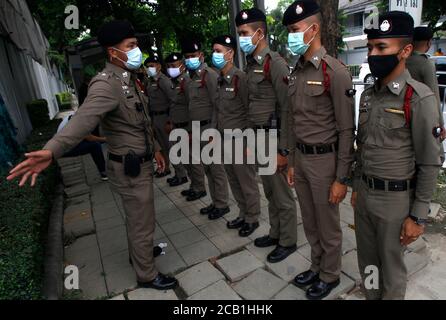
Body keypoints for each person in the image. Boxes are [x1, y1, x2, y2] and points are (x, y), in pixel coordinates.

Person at [7, 20, 178, 290]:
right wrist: (52, 151)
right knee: (142, 221)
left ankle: (140, 255)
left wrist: (156, 150)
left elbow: (142, 123)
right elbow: (82, 121)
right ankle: (146, 274)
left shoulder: (128, 80)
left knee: (140, 218)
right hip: (130, 168)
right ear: (113, 52)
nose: (137, 51)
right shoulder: (106, 84)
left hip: (140, 161)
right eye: (131, 46)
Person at [352, 11, 442, 299]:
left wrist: (418, 216)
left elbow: (430, 161)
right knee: (368, 266)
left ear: (405, 51)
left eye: (381, 48)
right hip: (365, 195)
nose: (372, 55)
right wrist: (357, 186)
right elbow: (362, 145)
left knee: (391, 272)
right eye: (369, 48)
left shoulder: (419, 98)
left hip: (395, 202)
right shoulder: (368, 95)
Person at [283, 0, 355, 300]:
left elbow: (346, 130)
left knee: (327, 223)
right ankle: (316, 265)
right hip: (301, 159)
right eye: (288, 31)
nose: (291, 36)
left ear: (313, 30)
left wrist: (342, 178)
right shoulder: (296, 71)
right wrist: (290, 160)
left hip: (326, 162)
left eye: (295, 30)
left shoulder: (334, 72)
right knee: (310, 220)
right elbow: (292, 120)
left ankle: (330, 273)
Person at [236, 9, 298, 245]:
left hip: (275, 140)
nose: (241, 37)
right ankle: (275, 233)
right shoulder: (252, 66)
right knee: (270, 192)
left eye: (244, 33)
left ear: (259, 33)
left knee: (282, 195)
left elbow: (288, 110)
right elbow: (253, 106)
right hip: (259, 140)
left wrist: (284, 151)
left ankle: (288, 240)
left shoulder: (276, 64)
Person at [211, 35, 262, 226]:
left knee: (247, 182)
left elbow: (250, 110)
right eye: (214, 51)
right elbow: (217, 109)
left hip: (240, 140)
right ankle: (243, 213)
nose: (214, 55)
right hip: (224, 140)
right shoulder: (219, 80)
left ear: (230, 53)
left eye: (218, 51)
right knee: (233, 180)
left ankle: (252, 218)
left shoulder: (240, 79)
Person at [181, 37, 230, 217]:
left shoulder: (209, 75)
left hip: (209, 128)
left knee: (216, 169)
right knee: (208, 168)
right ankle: (215, 201)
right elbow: (191, 106)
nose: (189, 59)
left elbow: (217, 104)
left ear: (201, 55)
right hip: (198, 129)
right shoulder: (191, 78)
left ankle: (222, 204)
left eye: (192, 55)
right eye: (187, 56)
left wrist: (214, 130)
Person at [406, 26, 446, 141]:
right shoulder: (426, 64)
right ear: (429, 43)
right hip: (422, 115)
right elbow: (434, 94)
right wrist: (440, 123)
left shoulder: (403, 60)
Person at [143, 55, 174, 178]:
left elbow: (173, 100)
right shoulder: (149, 82)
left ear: (159, 66)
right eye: (147, 66)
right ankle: (166, 168)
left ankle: (181, 174)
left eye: (152, 66)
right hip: (155, 118)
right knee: (161, 147)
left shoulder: (164, 80)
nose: (149, 68)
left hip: (165, 117)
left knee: (170, 146)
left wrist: (170, 121)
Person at [164, 52, 190, 187]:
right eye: (168, 66)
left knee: (191, 159)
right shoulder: (174, 82)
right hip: (177, 125)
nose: (170, 68)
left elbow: (191, 105)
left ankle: (198, 187)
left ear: (182, 65)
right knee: (181, 156)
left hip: (187, 126)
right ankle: (192, 184)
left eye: (173, 65)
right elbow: (173, 105)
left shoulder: (187, 82)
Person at [58, 113, 108, 181]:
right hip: (64, 149)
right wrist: (106, 139)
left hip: (68, 143)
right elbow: (90, 138)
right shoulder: (78, 121)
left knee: (95, 142)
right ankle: (103, 172)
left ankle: (104, 169)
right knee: (95, 146)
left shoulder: (76, 116)